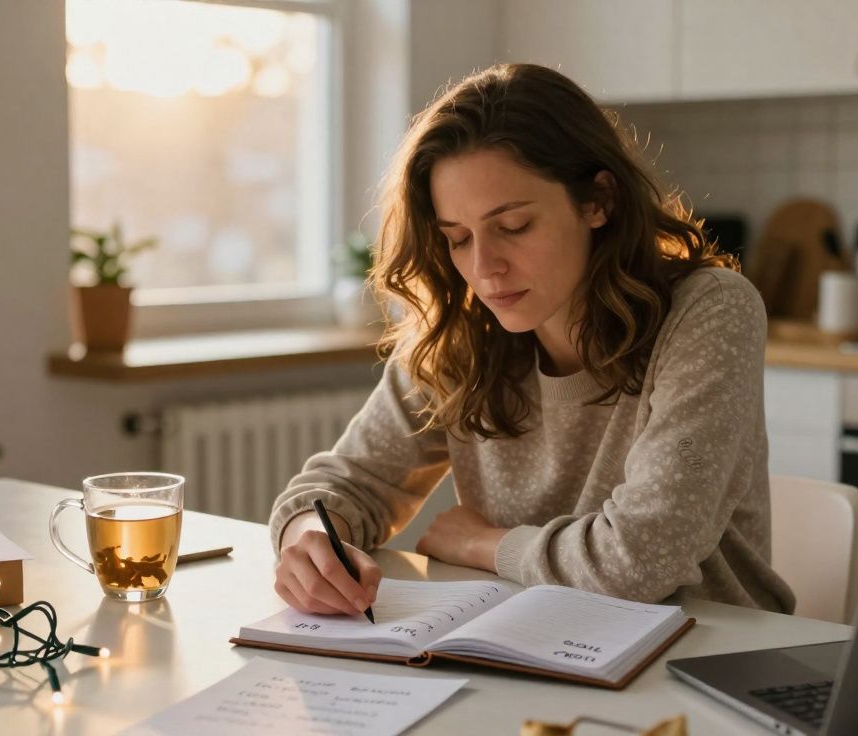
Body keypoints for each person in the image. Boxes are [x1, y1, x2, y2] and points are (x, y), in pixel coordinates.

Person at [268, 63, 795, 620]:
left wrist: (482, 543)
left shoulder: (710, 310)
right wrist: (310, 538)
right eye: (458, 238)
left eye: (514, 226)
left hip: (710, 648)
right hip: (533, 642)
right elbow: (346, 483)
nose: (484, 267)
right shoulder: (460, 333)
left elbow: (643, 558)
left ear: (598, 200)